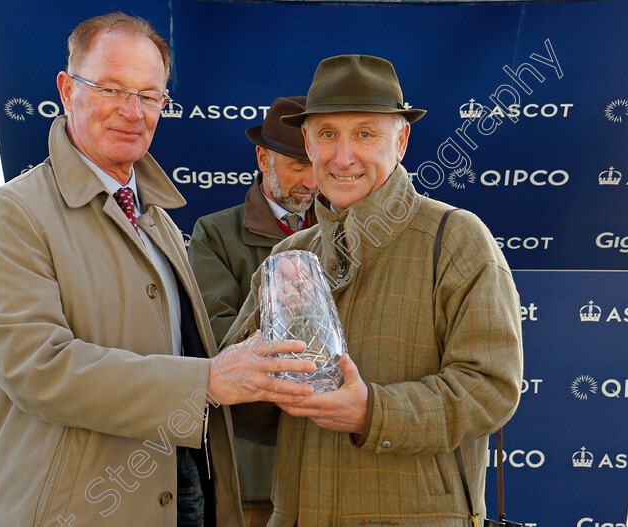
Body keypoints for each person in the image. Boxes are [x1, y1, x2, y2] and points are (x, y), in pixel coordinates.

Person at [0, 13, 315, 527]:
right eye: (111, 88)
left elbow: (186, 355)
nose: (132, 112)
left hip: (175, 496)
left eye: (150, 96)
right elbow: (40, 369)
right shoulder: (11, 214)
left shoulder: (161, 223)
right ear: (66, 90)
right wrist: (210, 380)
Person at [221, 55, 524, 526]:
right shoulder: (288, 257)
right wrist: (256, 373)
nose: (343, 158)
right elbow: (242, 410)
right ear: (307, 142)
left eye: (365, 134)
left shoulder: (455, 238)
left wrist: (372, 413)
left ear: (400, 141)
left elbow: (492, 388)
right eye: (327, 135)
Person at [188, 96, 316, 526]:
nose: (312, 181)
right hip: (257, 477)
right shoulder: (215, 234)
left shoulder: (350, 231)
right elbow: (219, 345)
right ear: (262, 157)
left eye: (318, 163)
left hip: (341, 468)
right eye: (298, 165)